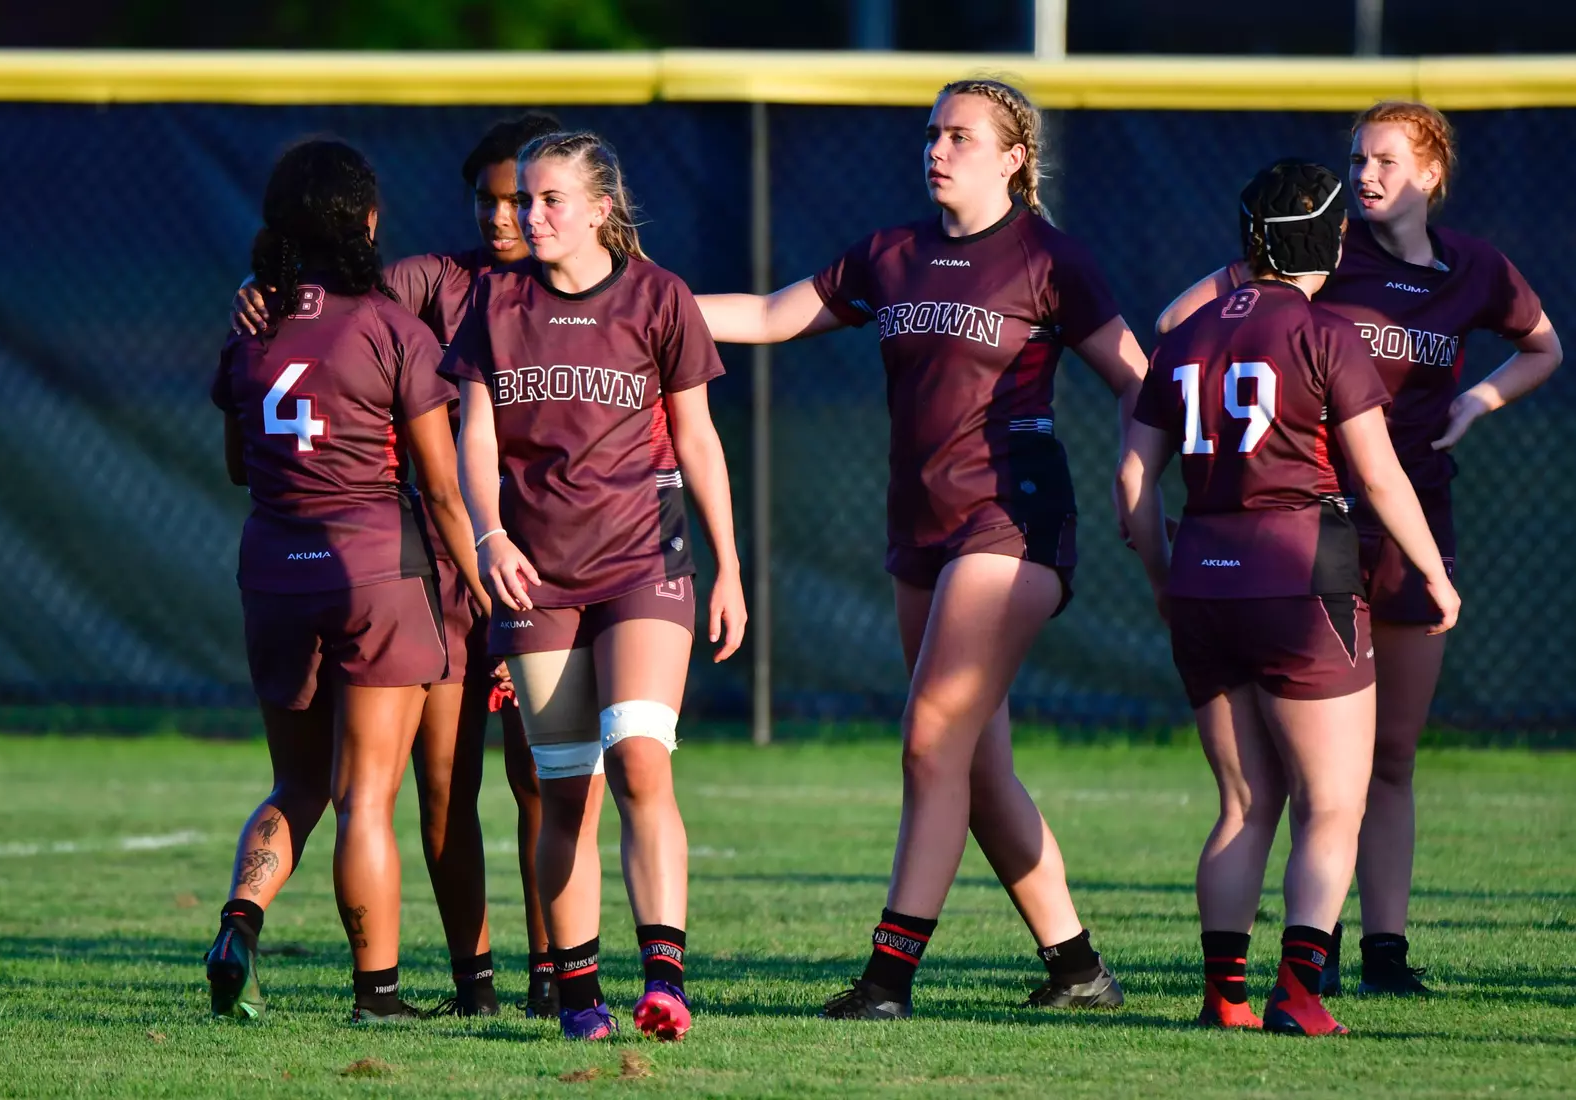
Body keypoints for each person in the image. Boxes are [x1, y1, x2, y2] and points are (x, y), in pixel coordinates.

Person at [694, 77, 1148, 1019]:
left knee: (931, 739)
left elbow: (1139, 380)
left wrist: (1134, 477)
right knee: (975, 766)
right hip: (924, 528)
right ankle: (1078, 970)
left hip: (1012, 523)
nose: (937, 150)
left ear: (1014, 158)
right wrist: (635, 306)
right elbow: (773, 316)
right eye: (932, 134)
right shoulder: (891, 254)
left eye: (961, 137)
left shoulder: (1049, 259)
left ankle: (889, 979)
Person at [1155, 103, 1561, 995]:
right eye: (1356, 159)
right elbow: (1181, 320)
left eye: (1385, 160)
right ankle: (1316, 953)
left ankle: (1386, 950)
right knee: (1315, 768)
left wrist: (1476, 402)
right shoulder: (1323, 250)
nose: (1365, 175)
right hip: (1315, 531)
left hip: (1413, 523)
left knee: (1393, 756)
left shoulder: (1475, 268)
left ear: (1432, 174)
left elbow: (1543, 348)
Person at [232, 113, 565, 1017]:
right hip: (449, 568)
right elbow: (332, 299)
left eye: (527, 199)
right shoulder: (434, 282)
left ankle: (555, 974)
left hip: (556, 559)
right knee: (444, 786)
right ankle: (475, 983)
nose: (505, 217)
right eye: (489, 199)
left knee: (544, 774)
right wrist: (259, 291)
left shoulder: (604, 290)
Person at [1121, 159, 1461, 1036]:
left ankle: (1224, 996)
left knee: (1243, 805)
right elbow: (1379, 476)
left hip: (1203, 577)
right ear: (1333, 239)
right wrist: (1434, 572)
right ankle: (1300, 994)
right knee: (1333, 802)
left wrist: (1162, 578)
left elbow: (1132, 480)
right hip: (1302, 574)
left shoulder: (1186, 335)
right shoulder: (1326, 332)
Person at [441, 130, 745, 1042]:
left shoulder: (659, 296)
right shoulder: (495, 301)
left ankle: (665, 981)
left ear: (601, 209)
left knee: (640, 759)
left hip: (646, 559)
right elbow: (475, 438)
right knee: (564, 788)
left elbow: (697, 439)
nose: (527, 216)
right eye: (521, 200)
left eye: (549, 200)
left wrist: (730, 567)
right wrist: (490, 536)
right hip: (537, 573)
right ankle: (579, 997)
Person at [206, 138, 483, 1023]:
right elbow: (442, 488)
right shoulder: (393, 329)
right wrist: (481, 583)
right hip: (374, 572)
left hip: (271, 571)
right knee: (366, 797)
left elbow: (239, 466)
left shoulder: (250, 329)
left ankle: (239, 923)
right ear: (366, 221)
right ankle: (378, 995)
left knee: (296, 785)